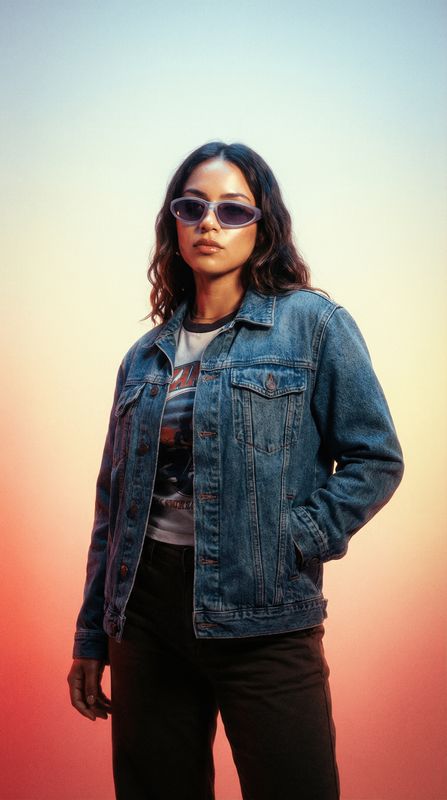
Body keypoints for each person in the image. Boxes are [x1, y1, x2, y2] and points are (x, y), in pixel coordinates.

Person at [67, 141, 404, 800]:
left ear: (262, 225)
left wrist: (292, 541)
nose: (208, 222)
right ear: (173, 221)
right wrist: (91, 633)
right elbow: (113, 510)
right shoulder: (144, 357)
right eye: (190, 206)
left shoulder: (312, 324)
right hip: (144, 618)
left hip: (264, 616)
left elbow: (374, 455)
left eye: (232, 209)